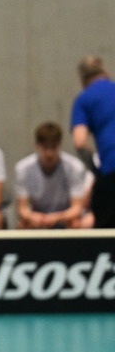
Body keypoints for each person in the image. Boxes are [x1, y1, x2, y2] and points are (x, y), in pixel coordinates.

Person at [14, 121, 93, 229]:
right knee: (23, 225)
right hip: (38, 217)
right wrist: (32, 216)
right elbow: (22, 209)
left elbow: (77, 208)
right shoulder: (23, 168)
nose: (49, 153)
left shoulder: (75, 167)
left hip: (65, 216)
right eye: (45, 148)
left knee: (76, 223)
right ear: (37, 146)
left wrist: (57, 217)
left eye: (53, 147)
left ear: (60, 145)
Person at [71, 55, 115, 228]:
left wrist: (96, 171)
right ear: (106, 73)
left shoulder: (84, 99)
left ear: (82, 81)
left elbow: (80, 142)